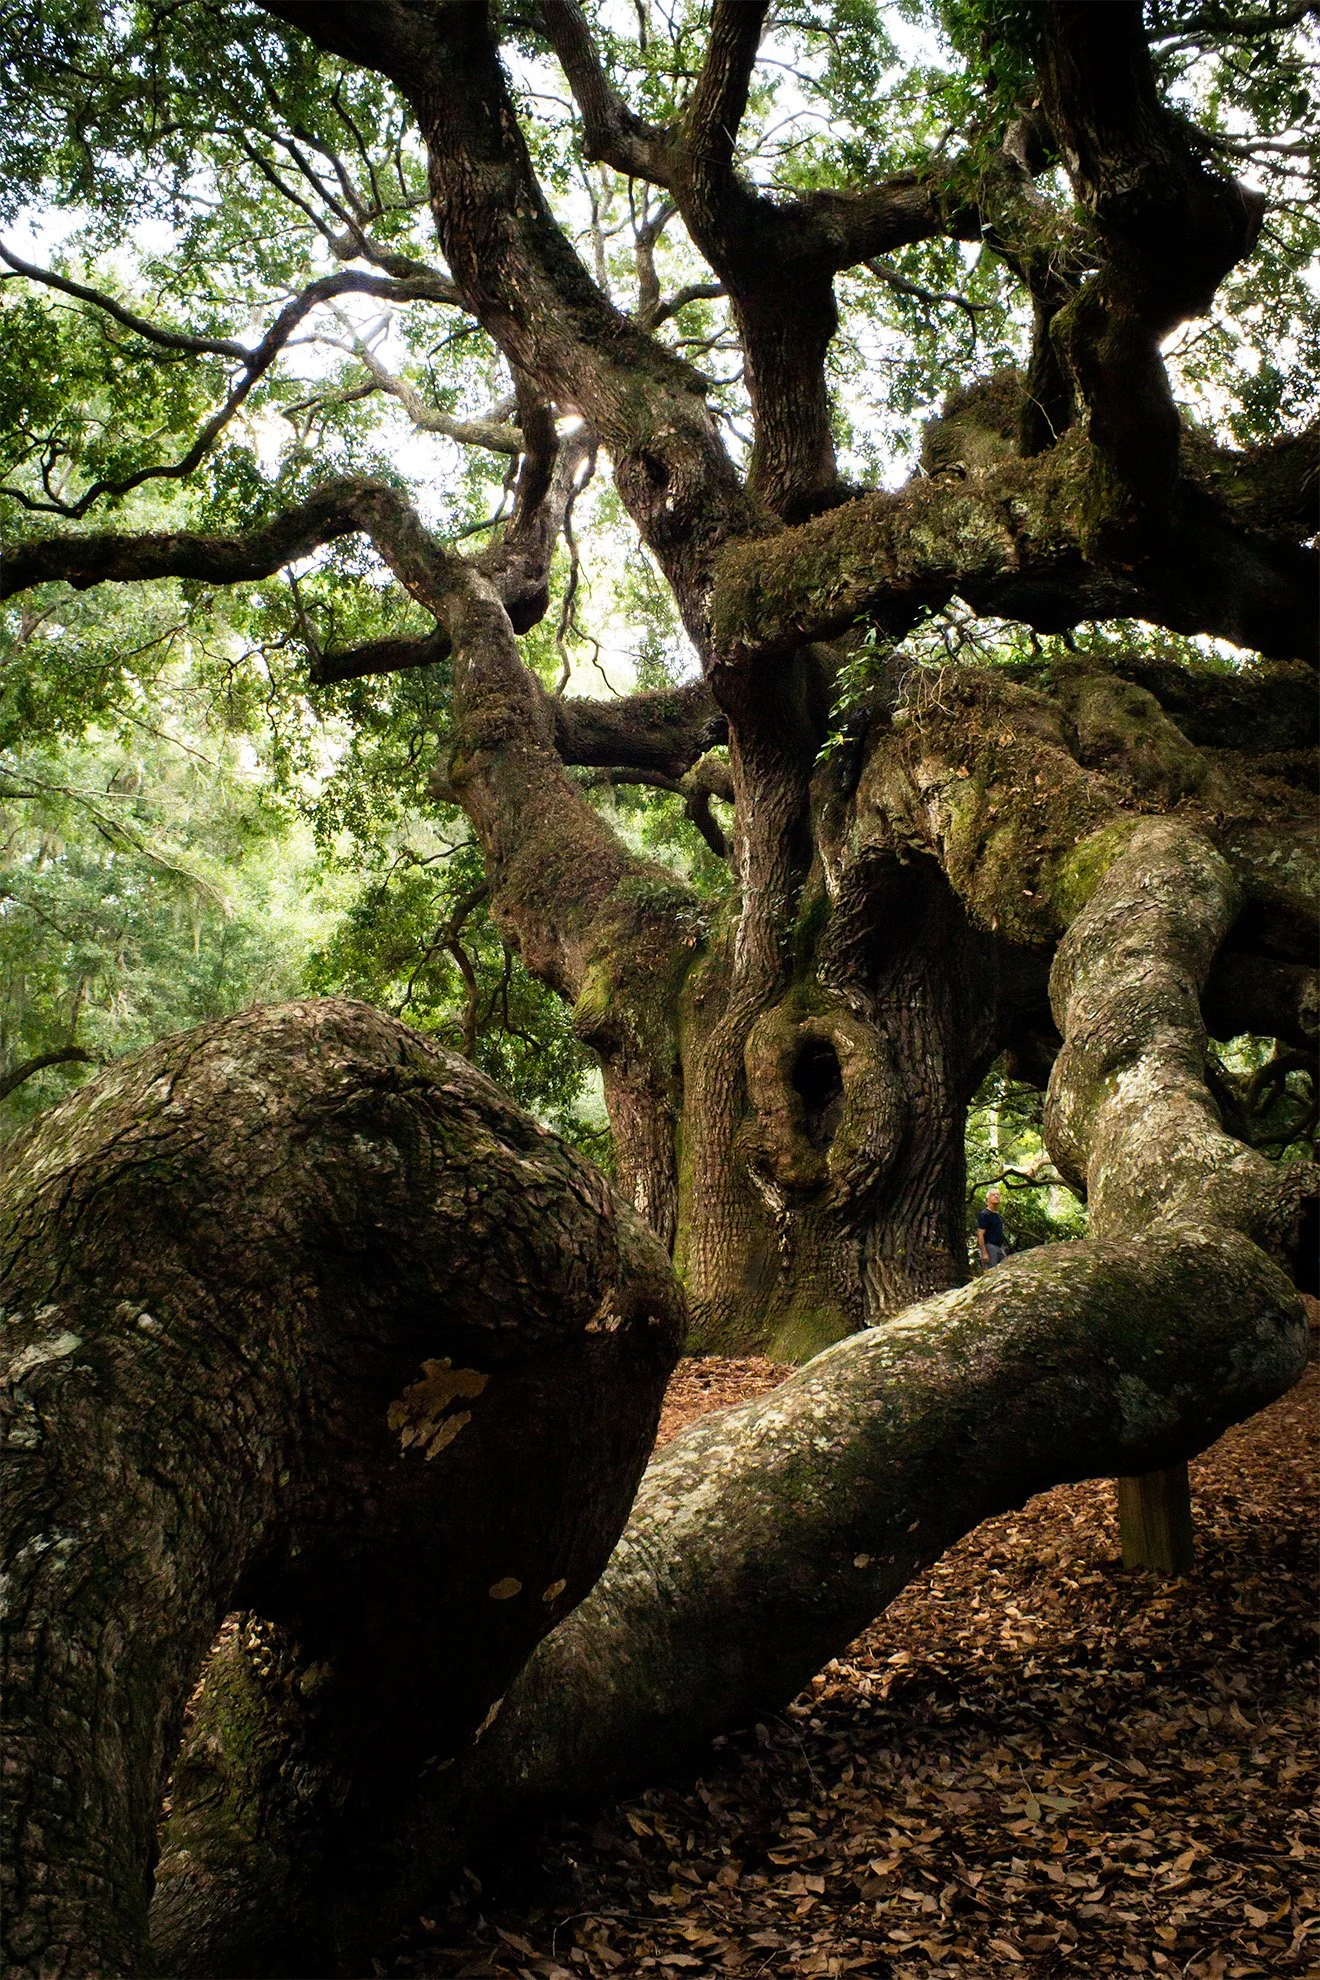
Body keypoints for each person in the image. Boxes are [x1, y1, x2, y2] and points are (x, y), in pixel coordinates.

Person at [976, 1187, 1008, 1269]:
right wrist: (984, 1253)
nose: (996, 1196)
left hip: (1000, 1248)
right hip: (990, 1248)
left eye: (998, 1195)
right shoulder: (985, 1214)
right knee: (991, 1272)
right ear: (988, 1199)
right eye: (993, 1195)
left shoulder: (997, 1215)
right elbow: (980, 1234)